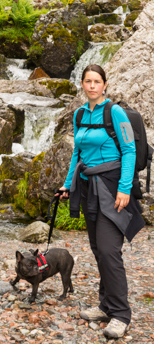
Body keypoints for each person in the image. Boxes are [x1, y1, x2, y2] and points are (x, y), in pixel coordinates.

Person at [58, 64, 144, 340]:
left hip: (111, 186)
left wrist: (124, 189)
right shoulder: (80, 114)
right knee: (97, 249)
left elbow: (129, 150)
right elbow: (77, 154)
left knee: (109, 250)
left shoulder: (115, 112)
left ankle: (120, 315)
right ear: (82, 85)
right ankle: (106, 305)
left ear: (104, 85)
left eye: (97, 81)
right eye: (87, 81)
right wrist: (67, 182)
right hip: (87, 187)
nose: (92, 85)